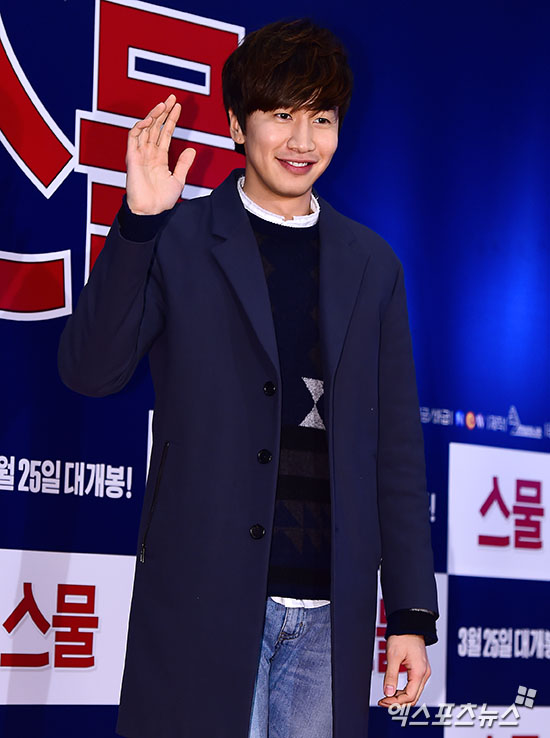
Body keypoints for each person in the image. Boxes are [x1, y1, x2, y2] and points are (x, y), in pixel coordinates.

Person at [58, 18, 438, 738]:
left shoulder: (372, 265)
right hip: (206, 597)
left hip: (330, 615)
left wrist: (411, 614)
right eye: (281, 115)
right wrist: (138, 224)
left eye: (322, 118)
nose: (303, 140)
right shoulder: (180, 237)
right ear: (237, 124)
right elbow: (91, 371)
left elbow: (394, 448)